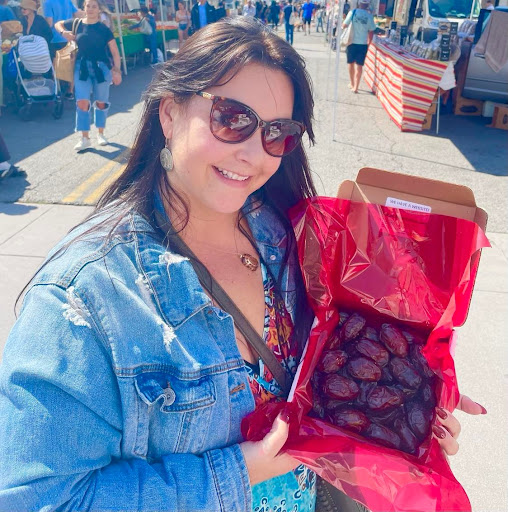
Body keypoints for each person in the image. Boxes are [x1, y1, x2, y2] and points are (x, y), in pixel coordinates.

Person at [0, 15, 484, 512]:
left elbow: (338, 363)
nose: (253, 154)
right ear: (169, 113)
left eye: (277, 133)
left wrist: (414, 398)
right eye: (231, 118)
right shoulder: (83, 300)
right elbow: (40, 500)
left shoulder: (287, 236)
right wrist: (243, 470)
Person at [55, 0, 121, 151]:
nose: (90, 9)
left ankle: (101, 133)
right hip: (82, 67)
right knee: (82, 102)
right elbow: (58, 24)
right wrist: (64, 33)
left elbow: (115, 52)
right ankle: (84, 138)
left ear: (99, 10)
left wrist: (117, 70)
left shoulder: (104, 29)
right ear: (84, 8)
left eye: (94, 6)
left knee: (101, 102)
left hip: (101, 68)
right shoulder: (77, 24)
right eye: (88, 6)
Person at [342, 0, 375, 93]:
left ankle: (352, 83)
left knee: (350, 63)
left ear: (359, 3)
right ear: (367, 4)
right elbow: (371, 31)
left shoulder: (353, 12)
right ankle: (356, 87)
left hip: (351, 42)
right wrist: (369, 43)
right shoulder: (369, 16)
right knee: (359, 65)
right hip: (363, 43)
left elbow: (344, 25)